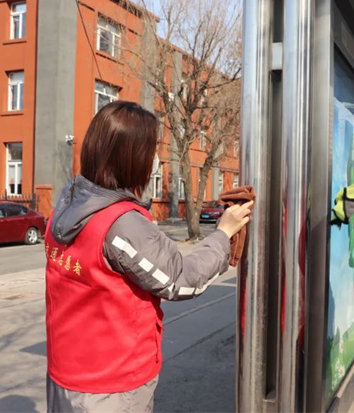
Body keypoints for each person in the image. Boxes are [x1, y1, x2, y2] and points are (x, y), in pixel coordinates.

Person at [44, 101, 253, 413]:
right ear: (132, 157)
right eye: (152, 149)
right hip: (111, 387)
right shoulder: (121, 223)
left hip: (65, 376)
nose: (155, 158)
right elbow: (181, 280)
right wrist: (224, 234)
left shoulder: (65, 208)